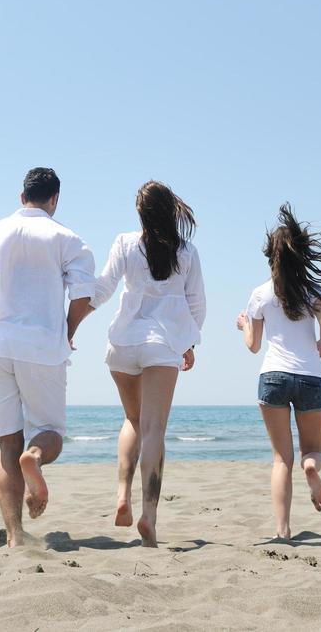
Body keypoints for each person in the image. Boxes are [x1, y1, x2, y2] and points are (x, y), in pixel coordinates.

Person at [0, 168, 96, 548]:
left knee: (6, 444)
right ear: (54, 199)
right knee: (51, 434)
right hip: (42, 346)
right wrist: (68, 329)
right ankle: (36, 457)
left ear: (21, 195)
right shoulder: (67, 238)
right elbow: (83, 296)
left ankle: (14, 536)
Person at [91, 181, 206, 547]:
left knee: (133, 420)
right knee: (154, 428)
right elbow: (197, 305)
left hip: (123, 342)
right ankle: (149, 517)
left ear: (140, 214)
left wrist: (72, 312)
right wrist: (188, 343)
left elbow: (103, 288)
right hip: (163, 344)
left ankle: (122, 494)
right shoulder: (186, 252)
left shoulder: (125, 243)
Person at [236, 204, 321, 541]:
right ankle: (312, 468)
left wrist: (242, 326)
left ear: (271, 256)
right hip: (310, 377)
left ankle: (282, 530)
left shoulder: (260, 294)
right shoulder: (312, 293)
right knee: (312, 452)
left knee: (281, 458)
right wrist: (320, 345)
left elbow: (253, 345)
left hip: (273, 377)